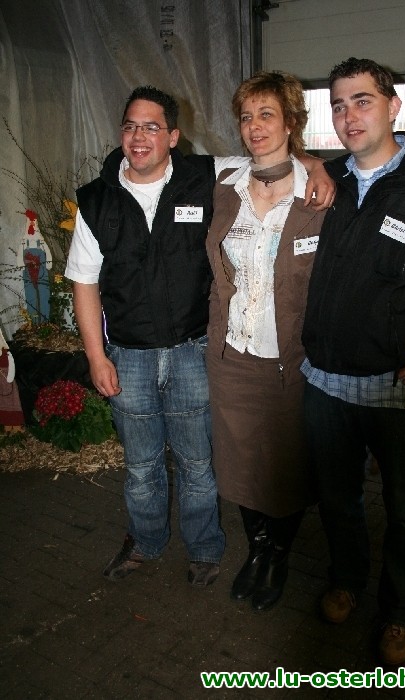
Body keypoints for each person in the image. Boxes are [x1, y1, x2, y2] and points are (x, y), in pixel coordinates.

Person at [65, 85, 333, 588]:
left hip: (192, 351)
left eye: (151, 127)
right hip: (129, 356)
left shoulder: (205, 176)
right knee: (141, 466)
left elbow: (269, 154)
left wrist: (318, 166)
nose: (138, 137)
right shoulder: (96, 201)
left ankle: (205, 549)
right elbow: (84, 282)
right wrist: (97, 357)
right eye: (130, 126)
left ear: (173, 136)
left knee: (197, 463)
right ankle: (145, 542)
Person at [301, 57, 405, 664]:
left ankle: (401, 613)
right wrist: (313, 162)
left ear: (394, 106)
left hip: (400, 390)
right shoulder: (331, 179)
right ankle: (347, 580)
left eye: (362, 101)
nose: (349, 116)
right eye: (338, 105)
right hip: (325, 383)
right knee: (337, 499)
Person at [205, 71, 327, 612]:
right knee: (241, 464)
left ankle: (278, 554)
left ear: (291, 122)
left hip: (291, 360)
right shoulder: (224, 183)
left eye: (267, 114)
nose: (254, 126)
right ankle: (257, 549)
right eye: (246, 116)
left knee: (286, 467)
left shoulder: (319, 193)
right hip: (233, 353)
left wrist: (318, 165)